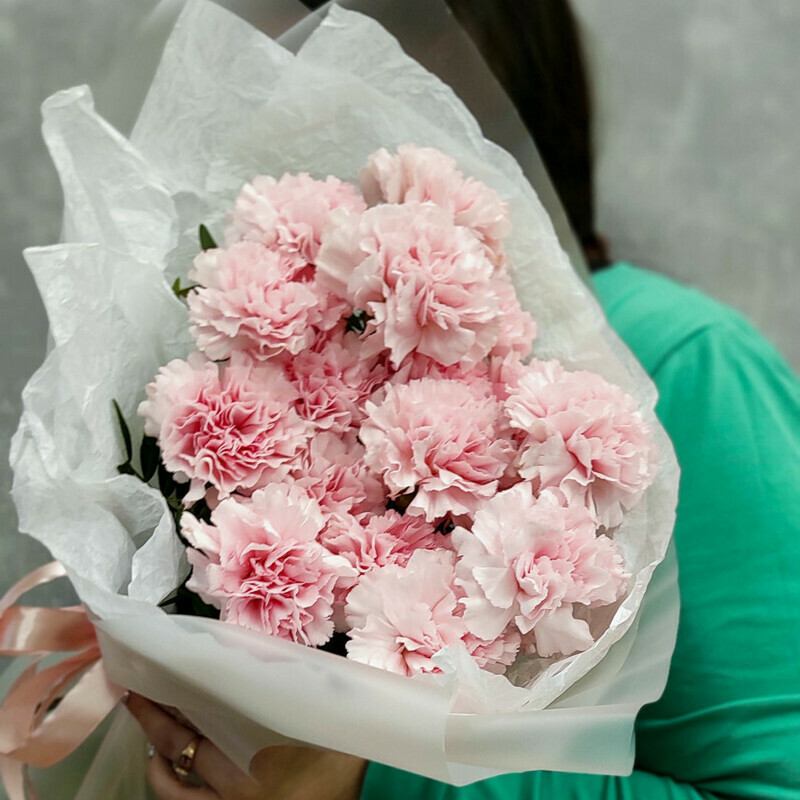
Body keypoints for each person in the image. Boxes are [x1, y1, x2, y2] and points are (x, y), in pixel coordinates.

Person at [125, 1, 800, 798]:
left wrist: (367, 783)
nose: (292, 84)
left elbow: (771, 785)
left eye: (353, 47)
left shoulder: (688, 364)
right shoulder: (240, 358)